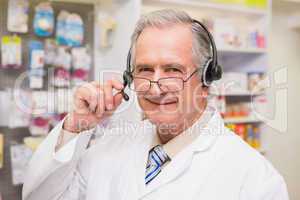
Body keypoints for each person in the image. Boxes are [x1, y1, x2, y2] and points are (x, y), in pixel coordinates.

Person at [22, 9, 289, 200]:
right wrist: (75, 126)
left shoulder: (254, 178)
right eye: (145, 69)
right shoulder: (109, 148)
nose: (155, 84)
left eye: (173, 69)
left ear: (207, 78)